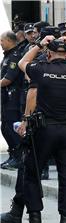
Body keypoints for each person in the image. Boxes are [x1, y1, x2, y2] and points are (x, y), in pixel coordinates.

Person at [16, 36, 66, 223]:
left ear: (49, 53)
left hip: (44, 130)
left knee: (31, 174)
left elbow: (22, 63)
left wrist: (38, 44)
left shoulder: (41, 69)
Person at [0, 31, 23, 170]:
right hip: (6, 99)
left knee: (11, 127)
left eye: (2, 41)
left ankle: (18, 157)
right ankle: (13, 155)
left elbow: (8, 79)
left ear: (10, 41)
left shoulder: (15, 57)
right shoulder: (7, 56)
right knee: (5, 128)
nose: (1, 43)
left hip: (13, 99)